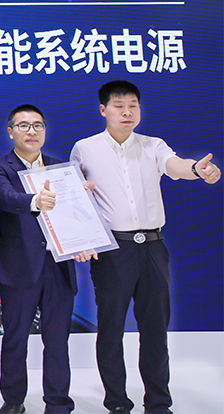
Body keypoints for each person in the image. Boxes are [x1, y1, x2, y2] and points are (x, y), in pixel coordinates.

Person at [70, 80, 220, 414]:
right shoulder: (85, 148)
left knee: (155, 330)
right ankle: (117, 404)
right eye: (119, 106)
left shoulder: (154, 145)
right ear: (103, 110)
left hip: (152, 247)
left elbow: (176, 165)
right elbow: (75, 199)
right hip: (113, 250)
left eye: (133, 106)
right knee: (110, 329)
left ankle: (158, 403)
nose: (127, 112)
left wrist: (197, 169)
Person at [0, 104, 89, 414]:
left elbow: (77, 214)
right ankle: (13, 401)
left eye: (38, 125)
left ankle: (58, 403)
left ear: (45, 131)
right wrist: (35, 201)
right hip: (19, 267)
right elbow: (5, 198)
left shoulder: (62, 169)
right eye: (24, 126)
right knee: (15, 339)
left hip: (59, 266)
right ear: (10, 132)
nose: (31, 131)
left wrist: (86, 233)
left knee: (57, 342)